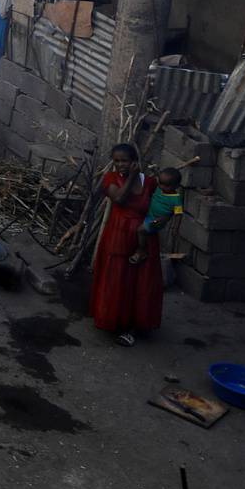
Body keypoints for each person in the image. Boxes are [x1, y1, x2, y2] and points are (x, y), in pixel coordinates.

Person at [89, 143, 163, 345]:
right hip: (118, 235)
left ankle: (132, 327)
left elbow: (161, 205)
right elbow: (120, 199)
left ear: (134, 162)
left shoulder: (149, 183)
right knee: (117, 278)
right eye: (117, 161)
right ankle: (113, 319)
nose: (120, 165)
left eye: (125, 161)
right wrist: (131, 176)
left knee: (138, 283)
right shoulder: (111, 179)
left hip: (143, 237)